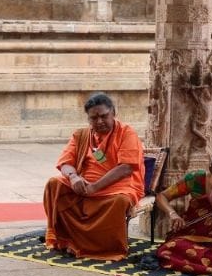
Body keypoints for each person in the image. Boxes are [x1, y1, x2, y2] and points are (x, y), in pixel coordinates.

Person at [43, 93, 145, 261]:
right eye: (94, 118)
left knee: (120, 201)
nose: (99, 121)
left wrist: (94, 187)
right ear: (88, 119)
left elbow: (126, 168)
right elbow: (66, 162)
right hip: (84, 185)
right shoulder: (81, 136)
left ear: (113, 113)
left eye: (104, 116)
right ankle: (70, 241)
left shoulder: (127, 133)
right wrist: (74, 177)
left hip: (117, 186)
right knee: (54, 184)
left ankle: (103, 249)